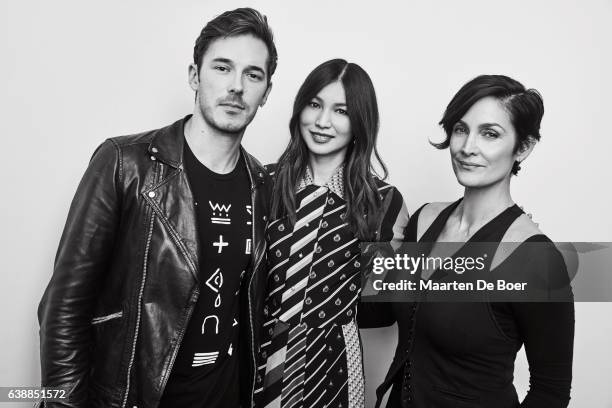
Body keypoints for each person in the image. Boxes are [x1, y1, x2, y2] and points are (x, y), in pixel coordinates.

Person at [37, 8, 276, 408]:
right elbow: (62, 311)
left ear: (266, 92)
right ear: (194, 76)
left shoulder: (261, 185)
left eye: (253, 75)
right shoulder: (124, 163)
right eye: (222, 68)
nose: (236, 86)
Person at [359, 75, 574, 407]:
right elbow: (379, 311)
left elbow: (551, 391)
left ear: (523, 147)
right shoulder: (423, 220)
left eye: (490, 133)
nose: (467, 147)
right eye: (461, 129)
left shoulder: (536, 259)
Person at [253, 59, 409, 408]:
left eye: (341, 110)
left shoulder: (383, 202)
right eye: (314, 104)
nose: (323, 122)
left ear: (360, 122)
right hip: (260, 353)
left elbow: (386, 305)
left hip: (336, 359)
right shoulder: (263, 183)